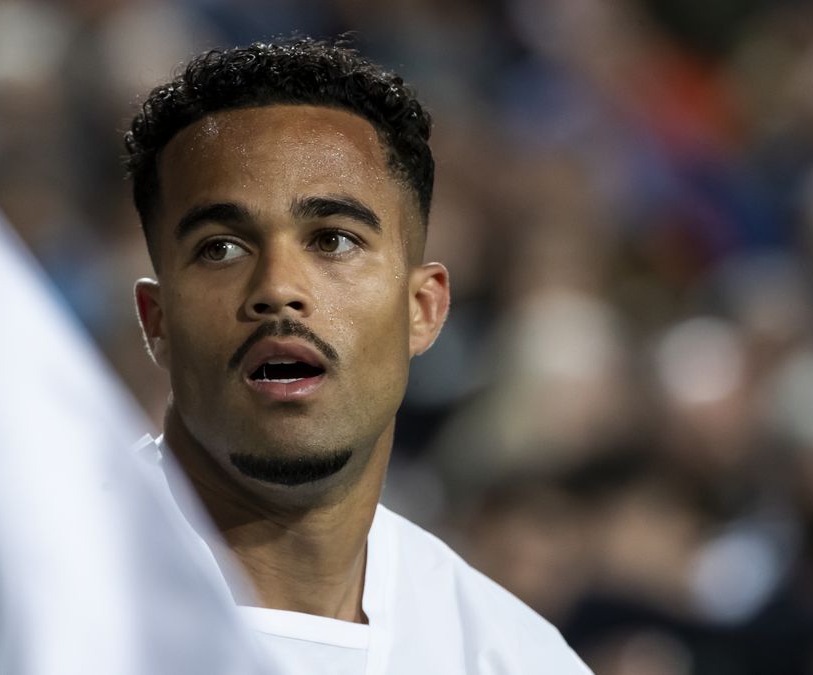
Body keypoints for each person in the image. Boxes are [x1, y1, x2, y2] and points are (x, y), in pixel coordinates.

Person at [125, 38, 591, 673]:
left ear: (422, 309)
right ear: (156, 320)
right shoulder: (23, 584)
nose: (278, 289)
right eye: (221, 248)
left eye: (334, 240)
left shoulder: (516, 658)